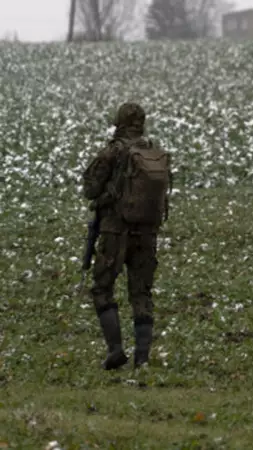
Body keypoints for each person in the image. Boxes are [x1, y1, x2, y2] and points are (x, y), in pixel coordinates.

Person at [82, 102, 172, 369]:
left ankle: (116, 350)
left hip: (115, 231)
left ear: (119, 121)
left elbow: (90, 189)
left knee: (102, 288)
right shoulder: (153, 152)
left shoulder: (113, 151)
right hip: (147, 232)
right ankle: (142, 359)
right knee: (141, 293)